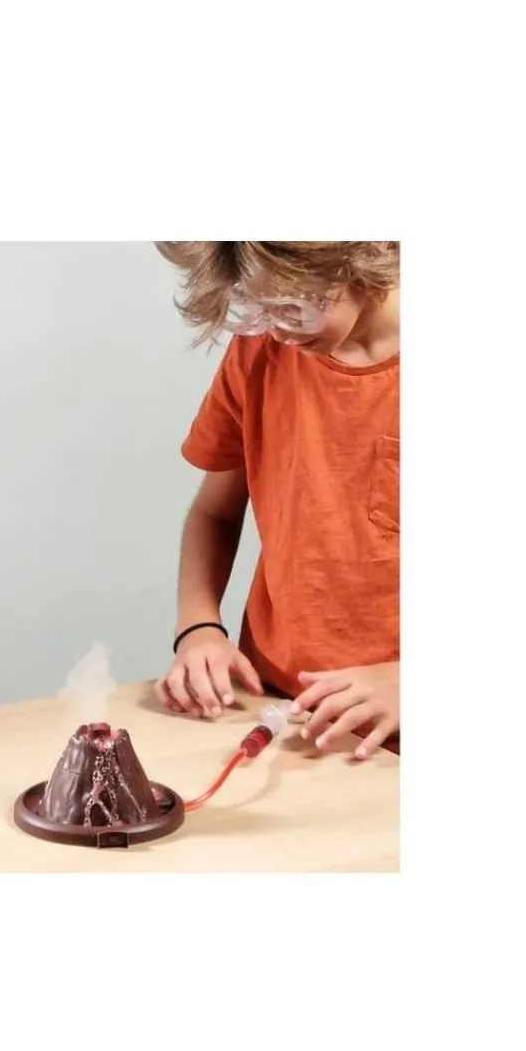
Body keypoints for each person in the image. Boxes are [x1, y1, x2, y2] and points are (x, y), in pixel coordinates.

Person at [153, 241, 400, 762]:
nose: (279, 329)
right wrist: (198, 627)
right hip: (280, 709)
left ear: (371, 247)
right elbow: (214, 511)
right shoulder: (259, 354)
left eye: (292, 304)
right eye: (257, 306)